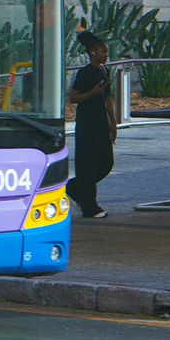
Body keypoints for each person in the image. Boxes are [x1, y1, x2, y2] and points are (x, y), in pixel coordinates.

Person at [68, 30, 117, 218]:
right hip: (87, 122)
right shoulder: (85, 73)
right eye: (102, 51)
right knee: (88, 163)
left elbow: (108, 98)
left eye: (106, 51)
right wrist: (92, 93)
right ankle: (89, 205)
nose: (106, 55)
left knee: (106, 162)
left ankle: (74, 187)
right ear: (93, 53)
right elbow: (73, 98)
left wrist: (112, 122)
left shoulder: (104, 71)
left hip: (100, 120)